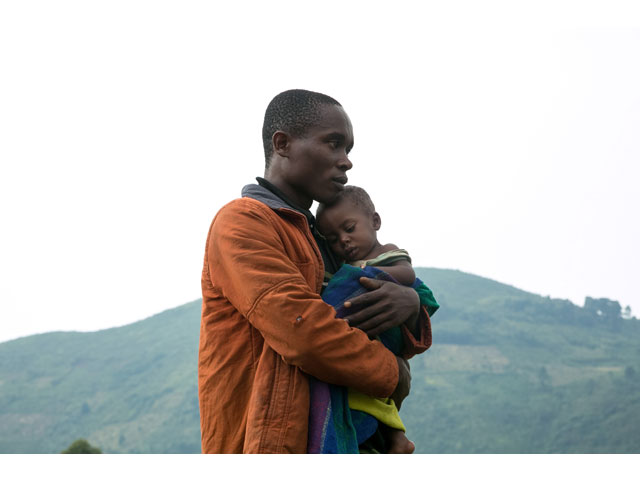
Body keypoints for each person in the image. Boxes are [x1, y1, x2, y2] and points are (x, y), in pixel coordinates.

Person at [198, 89, 432, 453]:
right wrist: (392, 373)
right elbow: (303, 331)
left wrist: (411, 303)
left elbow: (368, 322)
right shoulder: (242, 222)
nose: (346, 162)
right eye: (334, 144)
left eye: (348, 150)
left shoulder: (326, 238)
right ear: (283, 144)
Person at [316, 185, 439, 454]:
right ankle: (394, 437)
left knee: (377, 392)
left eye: (349, 229)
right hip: (366, 347)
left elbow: (406, 274)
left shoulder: (385, 251)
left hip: (383, 334)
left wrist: (365, 271)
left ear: (375, 221)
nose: (343, 241)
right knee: (369, 396)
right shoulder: (341, 264)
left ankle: (395, 436)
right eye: (333, 239)